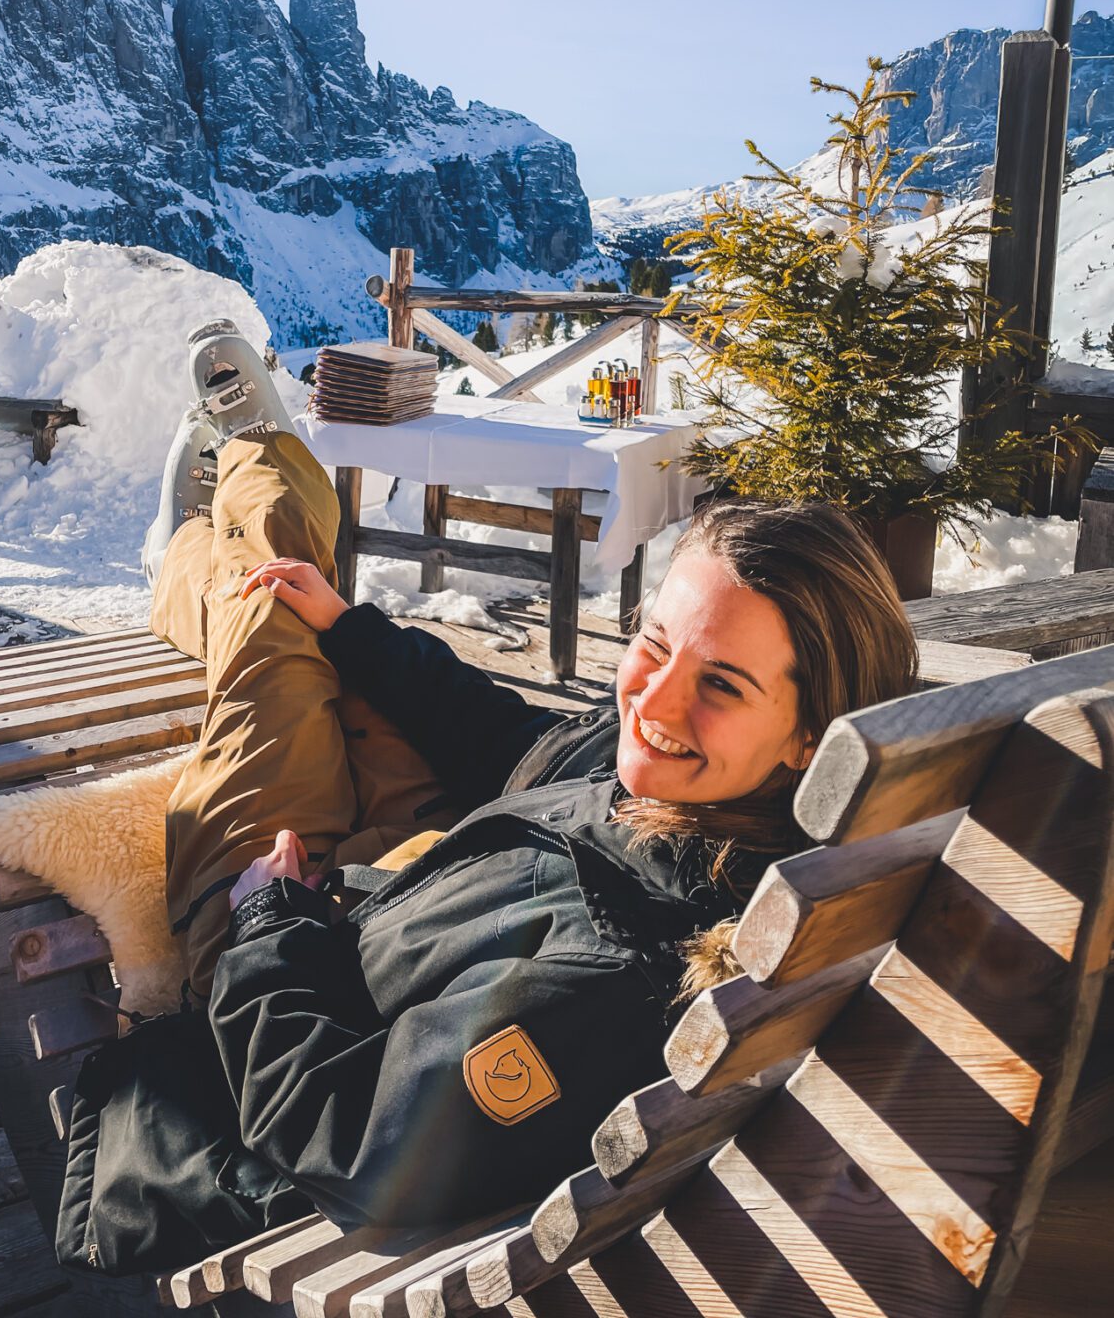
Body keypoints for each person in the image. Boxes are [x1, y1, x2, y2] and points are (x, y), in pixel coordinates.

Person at [58, 323, 919, 1276]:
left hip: (284, 958)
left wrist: (263, 920)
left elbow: (345, 1130)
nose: (655, 702)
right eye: (655, 642)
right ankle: (228, 519)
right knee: (306, 619)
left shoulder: (613, 977)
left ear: (813, 734)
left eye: (722, 686)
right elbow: (529, 749)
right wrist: (357, 630)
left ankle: (221, 509)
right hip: (436, 870)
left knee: (265, 637)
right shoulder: (711, 797)